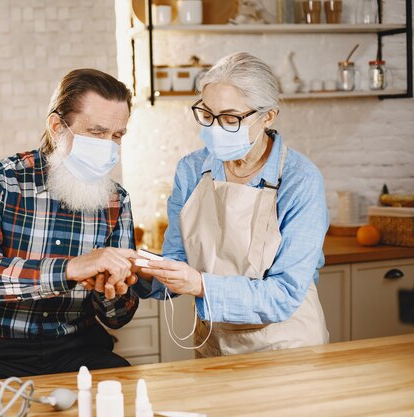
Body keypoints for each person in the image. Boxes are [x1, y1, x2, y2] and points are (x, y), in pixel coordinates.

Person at [0, 68, 140, 383]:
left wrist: (113, 289)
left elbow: (119, 317)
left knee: (123, 401)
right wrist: (70, 268)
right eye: (96, 132)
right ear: (56, 127)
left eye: (117, 135)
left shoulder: (117, 200)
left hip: (80, 348)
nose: (109, 147)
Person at [134, 52, 329, 357]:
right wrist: (138, 270)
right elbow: (177, 263)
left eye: (230, 118)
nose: (214, 128)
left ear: (268, 116)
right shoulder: (191, 170)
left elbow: (284, 294)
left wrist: (200, 285)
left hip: (286, 347)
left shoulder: (300, 180)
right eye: (207, 115)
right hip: (213, 344)